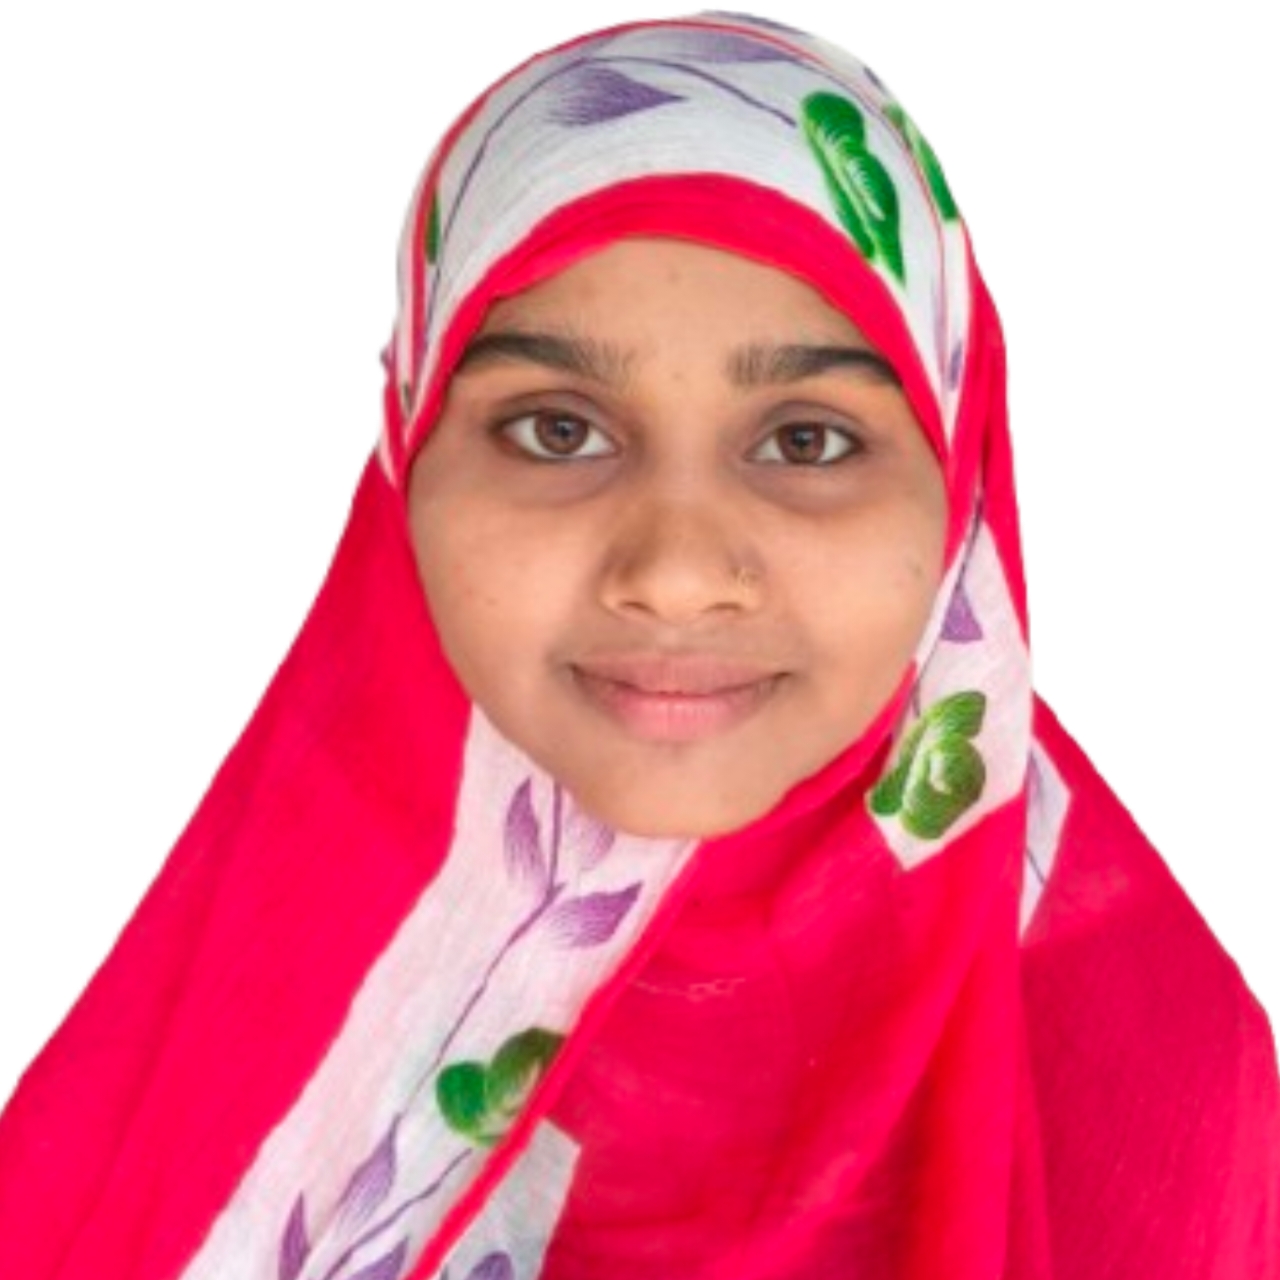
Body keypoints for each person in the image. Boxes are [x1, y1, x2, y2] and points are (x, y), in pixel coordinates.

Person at [0, 12, 1276, 1279]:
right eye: (556, 430)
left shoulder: (1166, 1083)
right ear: (407, 451)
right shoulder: (221, 1061)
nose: (671, 575)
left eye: (806, 440)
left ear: (956, 487)